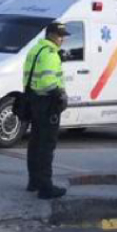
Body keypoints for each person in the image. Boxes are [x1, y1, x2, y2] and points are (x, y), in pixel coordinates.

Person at [24, 22, 70, 199]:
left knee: (35, 143)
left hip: (34, 100)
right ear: (50, 34)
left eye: (63, 36)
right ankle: (45, 187)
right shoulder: (50, 53)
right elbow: (48, 82)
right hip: (48, 103)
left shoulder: (35, 49)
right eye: (59, 35)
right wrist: (60, 95)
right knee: (46, 146)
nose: (62, 39)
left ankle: (34, 182)